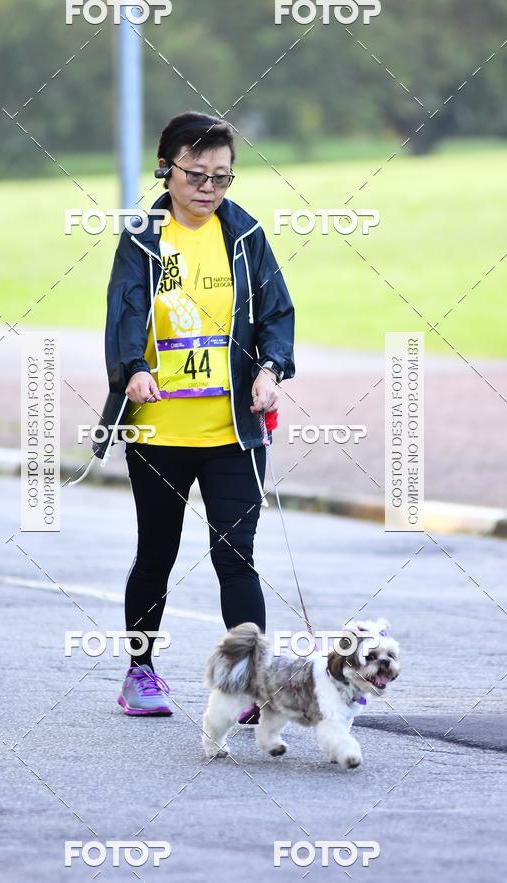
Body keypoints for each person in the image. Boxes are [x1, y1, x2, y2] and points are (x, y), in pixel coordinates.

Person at [93, 110, 295, 717]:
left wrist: (270, 369)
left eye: (222, 177)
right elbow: (125, 315)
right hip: (160, 431)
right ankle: (141, 671)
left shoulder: (245, 234)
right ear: (167, 168)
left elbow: (277, 314)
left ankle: (251, 682)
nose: (209, 188)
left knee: (237, 558)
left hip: (233, 431)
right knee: (157, 552)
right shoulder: (141, 238)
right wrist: (134, 369)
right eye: (197, 174)